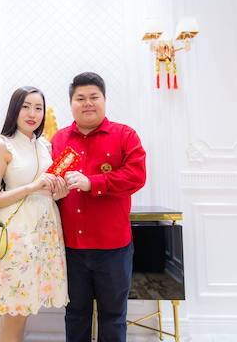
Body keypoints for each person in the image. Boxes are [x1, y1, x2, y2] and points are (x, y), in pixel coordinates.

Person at [51, 72, 147, 342]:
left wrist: (92, 182)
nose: (88, 103)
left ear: (104, 100)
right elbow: (49, 179)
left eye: (94, 97)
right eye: (80, 98)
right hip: (71, 247)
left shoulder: (125, 135)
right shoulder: (59, 139)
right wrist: (53, 190)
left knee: (113, 317)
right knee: (75, 314)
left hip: (113, 247)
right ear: (71, 103)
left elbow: (136, 176)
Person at [0, 86, 69, 342]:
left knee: (26, 305)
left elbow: (46, 192)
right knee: (15, 309)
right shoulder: (2, 144)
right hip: (16, 236)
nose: (32, 113)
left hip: (44, 233)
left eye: (38, 108)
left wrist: (59, 191)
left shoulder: (44, 145)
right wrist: (31, 187)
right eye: (26, 107)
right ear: (14, 110)